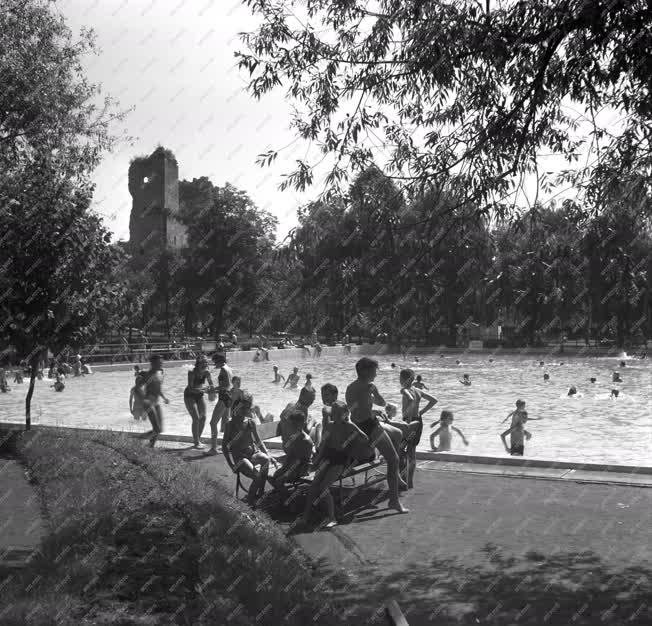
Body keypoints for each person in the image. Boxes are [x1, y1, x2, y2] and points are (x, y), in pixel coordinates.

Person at [345, 357, 408, 513]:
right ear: (365, 371)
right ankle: (394, 501)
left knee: (398, 433)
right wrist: (373, 395)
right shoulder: (366, 387)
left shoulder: (354, 387)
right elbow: (378, 404)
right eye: (374, 370)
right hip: (369, 426)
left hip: (365, 423)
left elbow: (365, 408)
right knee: (394, 459)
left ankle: (394, 475)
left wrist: (372, 405)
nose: (376, 374)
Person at [298, 401, 369, 529]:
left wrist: (352, 444)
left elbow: (365, 438)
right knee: (314, 486)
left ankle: (332, 518)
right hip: (327, 457)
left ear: (345, 413)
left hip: (340, 460)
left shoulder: (349, 426)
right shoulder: (330, 426)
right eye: (333, 412)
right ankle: (305, 516)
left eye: (338, 413)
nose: (335, 415)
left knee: (324, 487)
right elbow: (324, 445)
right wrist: (316, 462)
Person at [222, 391, 275, 505]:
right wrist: (231, 465)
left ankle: (260, 493)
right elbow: (224, 447)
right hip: (240, 459)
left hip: (252, 454)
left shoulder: (250, 422)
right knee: (256, 476)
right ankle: (250, 502)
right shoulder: (229, 425)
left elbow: (258, 441)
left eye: (247, 408)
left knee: (265, 460)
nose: (245, 411)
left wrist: (269, 454)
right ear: (235, 408)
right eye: (242, 408)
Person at [400, 368, 437, 488]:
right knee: (412, 452)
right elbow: (433, 400)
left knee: (400, 450)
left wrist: (409, 416)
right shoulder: (418, 390)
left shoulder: (404, 390)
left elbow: (410, 399)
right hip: (418, 421)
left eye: (400, 378)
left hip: (409, 422)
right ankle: (409, 481)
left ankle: (403, 479)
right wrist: (421, 412)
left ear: (404, 379)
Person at [269, 408, 314, 499]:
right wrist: (283, 468)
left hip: (302, 468)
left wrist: (285, 472)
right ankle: (283, 494)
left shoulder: (305, 441)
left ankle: (290, 502)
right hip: (293, 465)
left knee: (278, 481)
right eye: (291, 424)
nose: (291, 427)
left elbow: (298, 461)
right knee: (273, 476)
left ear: (302, 424)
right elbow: (290, 456)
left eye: (294, 424)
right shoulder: (294, 437)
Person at [183, 356, 214, 449]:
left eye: (206, 363)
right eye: (203, 362)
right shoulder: (192, 373)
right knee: (196, 418)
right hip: (189, 395)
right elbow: (191, 388)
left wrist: (212, 391)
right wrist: (204, 390)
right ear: (198, 363)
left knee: (203, 417)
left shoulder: (207, 372)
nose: (205, 364)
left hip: (199, 395)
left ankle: (198, 440)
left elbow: (211, 384)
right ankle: (196, 443)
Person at [142, 355, 170, 447]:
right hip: (148, 402)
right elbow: (137, 388)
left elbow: (158, 388)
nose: (161, 364)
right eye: (158, 363)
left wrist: (164, 397)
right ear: (152, 364)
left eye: (161, 362)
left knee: (159, 429)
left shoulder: (161, 372)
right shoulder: (148, 374)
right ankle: (138, 439)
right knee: (157, 429)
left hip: (156, 402)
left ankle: (150, 446)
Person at [208, 353, 234, 453]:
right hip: (229, 397)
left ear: (219, 361)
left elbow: (225, 386)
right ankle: (228, 445)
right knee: (226, 425)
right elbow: (229, 385)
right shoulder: (229, 368)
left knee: (213, 423)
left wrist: (212, 390)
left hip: (224, 398)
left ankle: (213, 448)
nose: (214, 364)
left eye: (215, 362)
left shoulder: (223, 370)